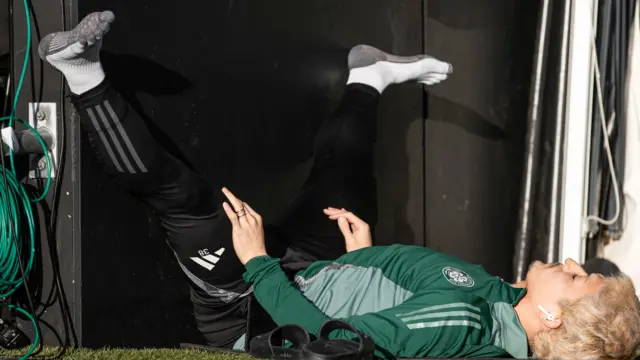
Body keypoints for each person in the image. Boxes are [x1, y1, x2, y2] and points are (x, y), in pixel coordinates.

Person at [39, 11, 640, 360]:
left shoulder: (468, 322)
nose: (571, 261)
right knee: (345, 185)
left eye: (579, 277)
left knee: (190, 201)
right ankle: (369, 78)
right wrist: (366, 261)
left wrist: (257, 265)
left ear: (556, 319)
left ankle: (81, 73)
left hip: (254, 309)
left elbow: (324, 347)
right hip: (323, 272)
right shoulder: (500, 301)